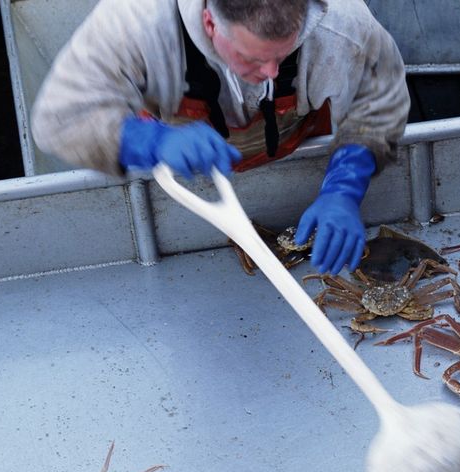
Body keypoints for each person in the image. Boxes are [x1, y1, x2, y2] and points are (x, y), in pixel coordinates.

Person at [31, 0, 410, 276]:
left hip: (297, 134)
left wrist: (344, 189)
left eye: (283, 55)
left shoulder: (342, 21)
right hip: (179, 156)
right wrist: (148, 141)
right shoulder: (135, 20)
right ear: (210, 23)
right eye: (252, 59)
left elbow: (379, 98)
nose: (270, 71)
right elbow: (59, 119)